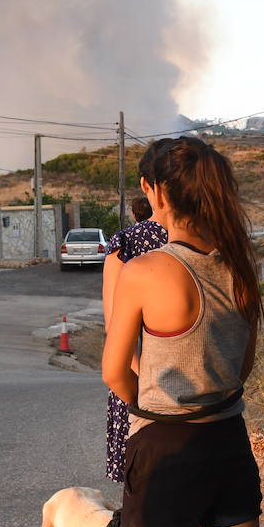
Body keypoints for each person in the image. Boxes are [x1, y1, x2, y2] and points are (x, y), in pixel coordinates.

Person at [102, 136, 264, 527]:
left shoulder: (147, 270)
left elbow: (114, 370)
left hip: (165, 454)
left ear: (153, 190)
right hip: (229, 446)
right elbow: (243, 367)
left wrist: (151, 411)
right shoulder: (241, 266)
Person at [101, 191, 169, 481]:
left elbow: (115, 327)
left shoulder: (126, 243)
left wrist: (141, 393)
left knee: (145, 484)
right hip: (205, 392)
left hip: (142, 380)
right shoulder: (210, 239)